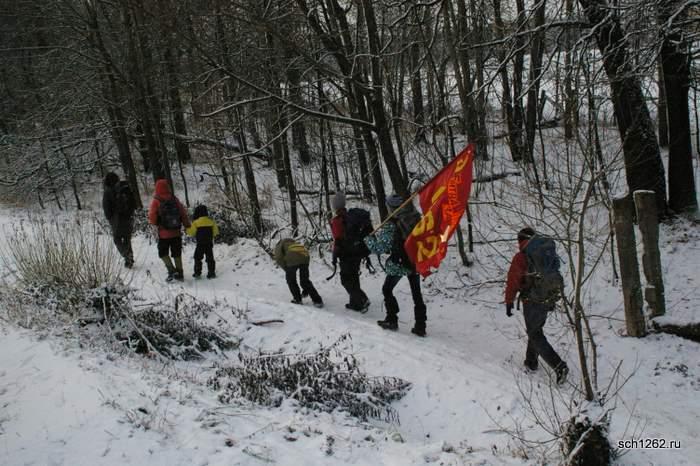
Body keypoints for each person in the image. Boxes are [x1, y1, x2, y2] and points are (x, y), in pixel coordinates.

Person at [505, 227, 569, 384]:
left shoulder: (522, 257)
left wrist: (509, 301)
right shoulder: (545, 252)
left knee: (535, 334)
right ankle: (531, 362)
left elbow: (513, 280)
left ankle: (559, 366)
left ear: (520, 240)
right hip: (547, 297)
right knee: (535, 330)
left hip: (532, 300)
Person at [365, 194, 427, 336]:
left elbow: (380, 247)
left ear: (390, 207)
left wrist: (368, 240)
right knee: (417, 294)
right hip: (414, 261)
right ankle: (421, 325)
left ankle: (391, 319)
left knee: (387, 289)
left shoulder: (391, 225)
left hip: (399, 262)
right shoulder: (415, 218)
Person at [329, 192, 370, 311]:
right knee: (354, 277)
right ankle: (355, 303)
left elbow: (338, 240)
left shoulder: (337, 220)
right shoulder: (352, 217)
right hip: (357, 251)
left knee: (345, 280)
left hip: (346, 254)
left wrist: (334, 255)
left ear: (335, 206)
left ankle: (362, 299)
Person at [148, 179, 190, 282]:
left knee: (162, 253)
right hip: (176, 232)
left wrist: (154, 225)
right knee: (177, 253)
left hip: (163, 234)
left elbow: (152, 216)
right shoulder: (174, 199)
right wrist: (187, 225)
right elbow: (183, 213)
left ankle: (172, 271)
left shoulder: (156, 200)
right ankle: (180, 273)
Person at [274, 238, 324, 308]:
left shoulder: (279, 245)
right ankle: (318, 301)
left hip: (293, 257)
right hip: (305, 256)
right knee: (304, 280)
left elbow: (278, 258)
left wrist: (286, 269)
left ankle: (297, 299)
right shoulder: (294, 243)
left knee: (291, 280)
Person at [102, 172, 135, 268]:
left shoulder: (108, 191)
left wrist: (110, 218)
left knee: (117, 239)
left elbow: (106, 207)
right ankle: (129, 258)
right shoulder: (125, 187)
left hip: (117, 219)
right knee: (127, 238)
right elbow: (133, 201)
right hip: (128, 216)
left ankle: (127, 255)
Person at [186, 204, 219, 279]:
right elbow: (215, 232)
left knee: (197, 257)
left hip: (200, 244)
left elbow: (191, 233)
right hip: (209, 243)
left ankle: (197, 272)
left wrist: (187, 229)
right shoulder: (211, 221)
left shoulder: (196, 222)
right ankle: (211, 273)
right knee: (210, 258)